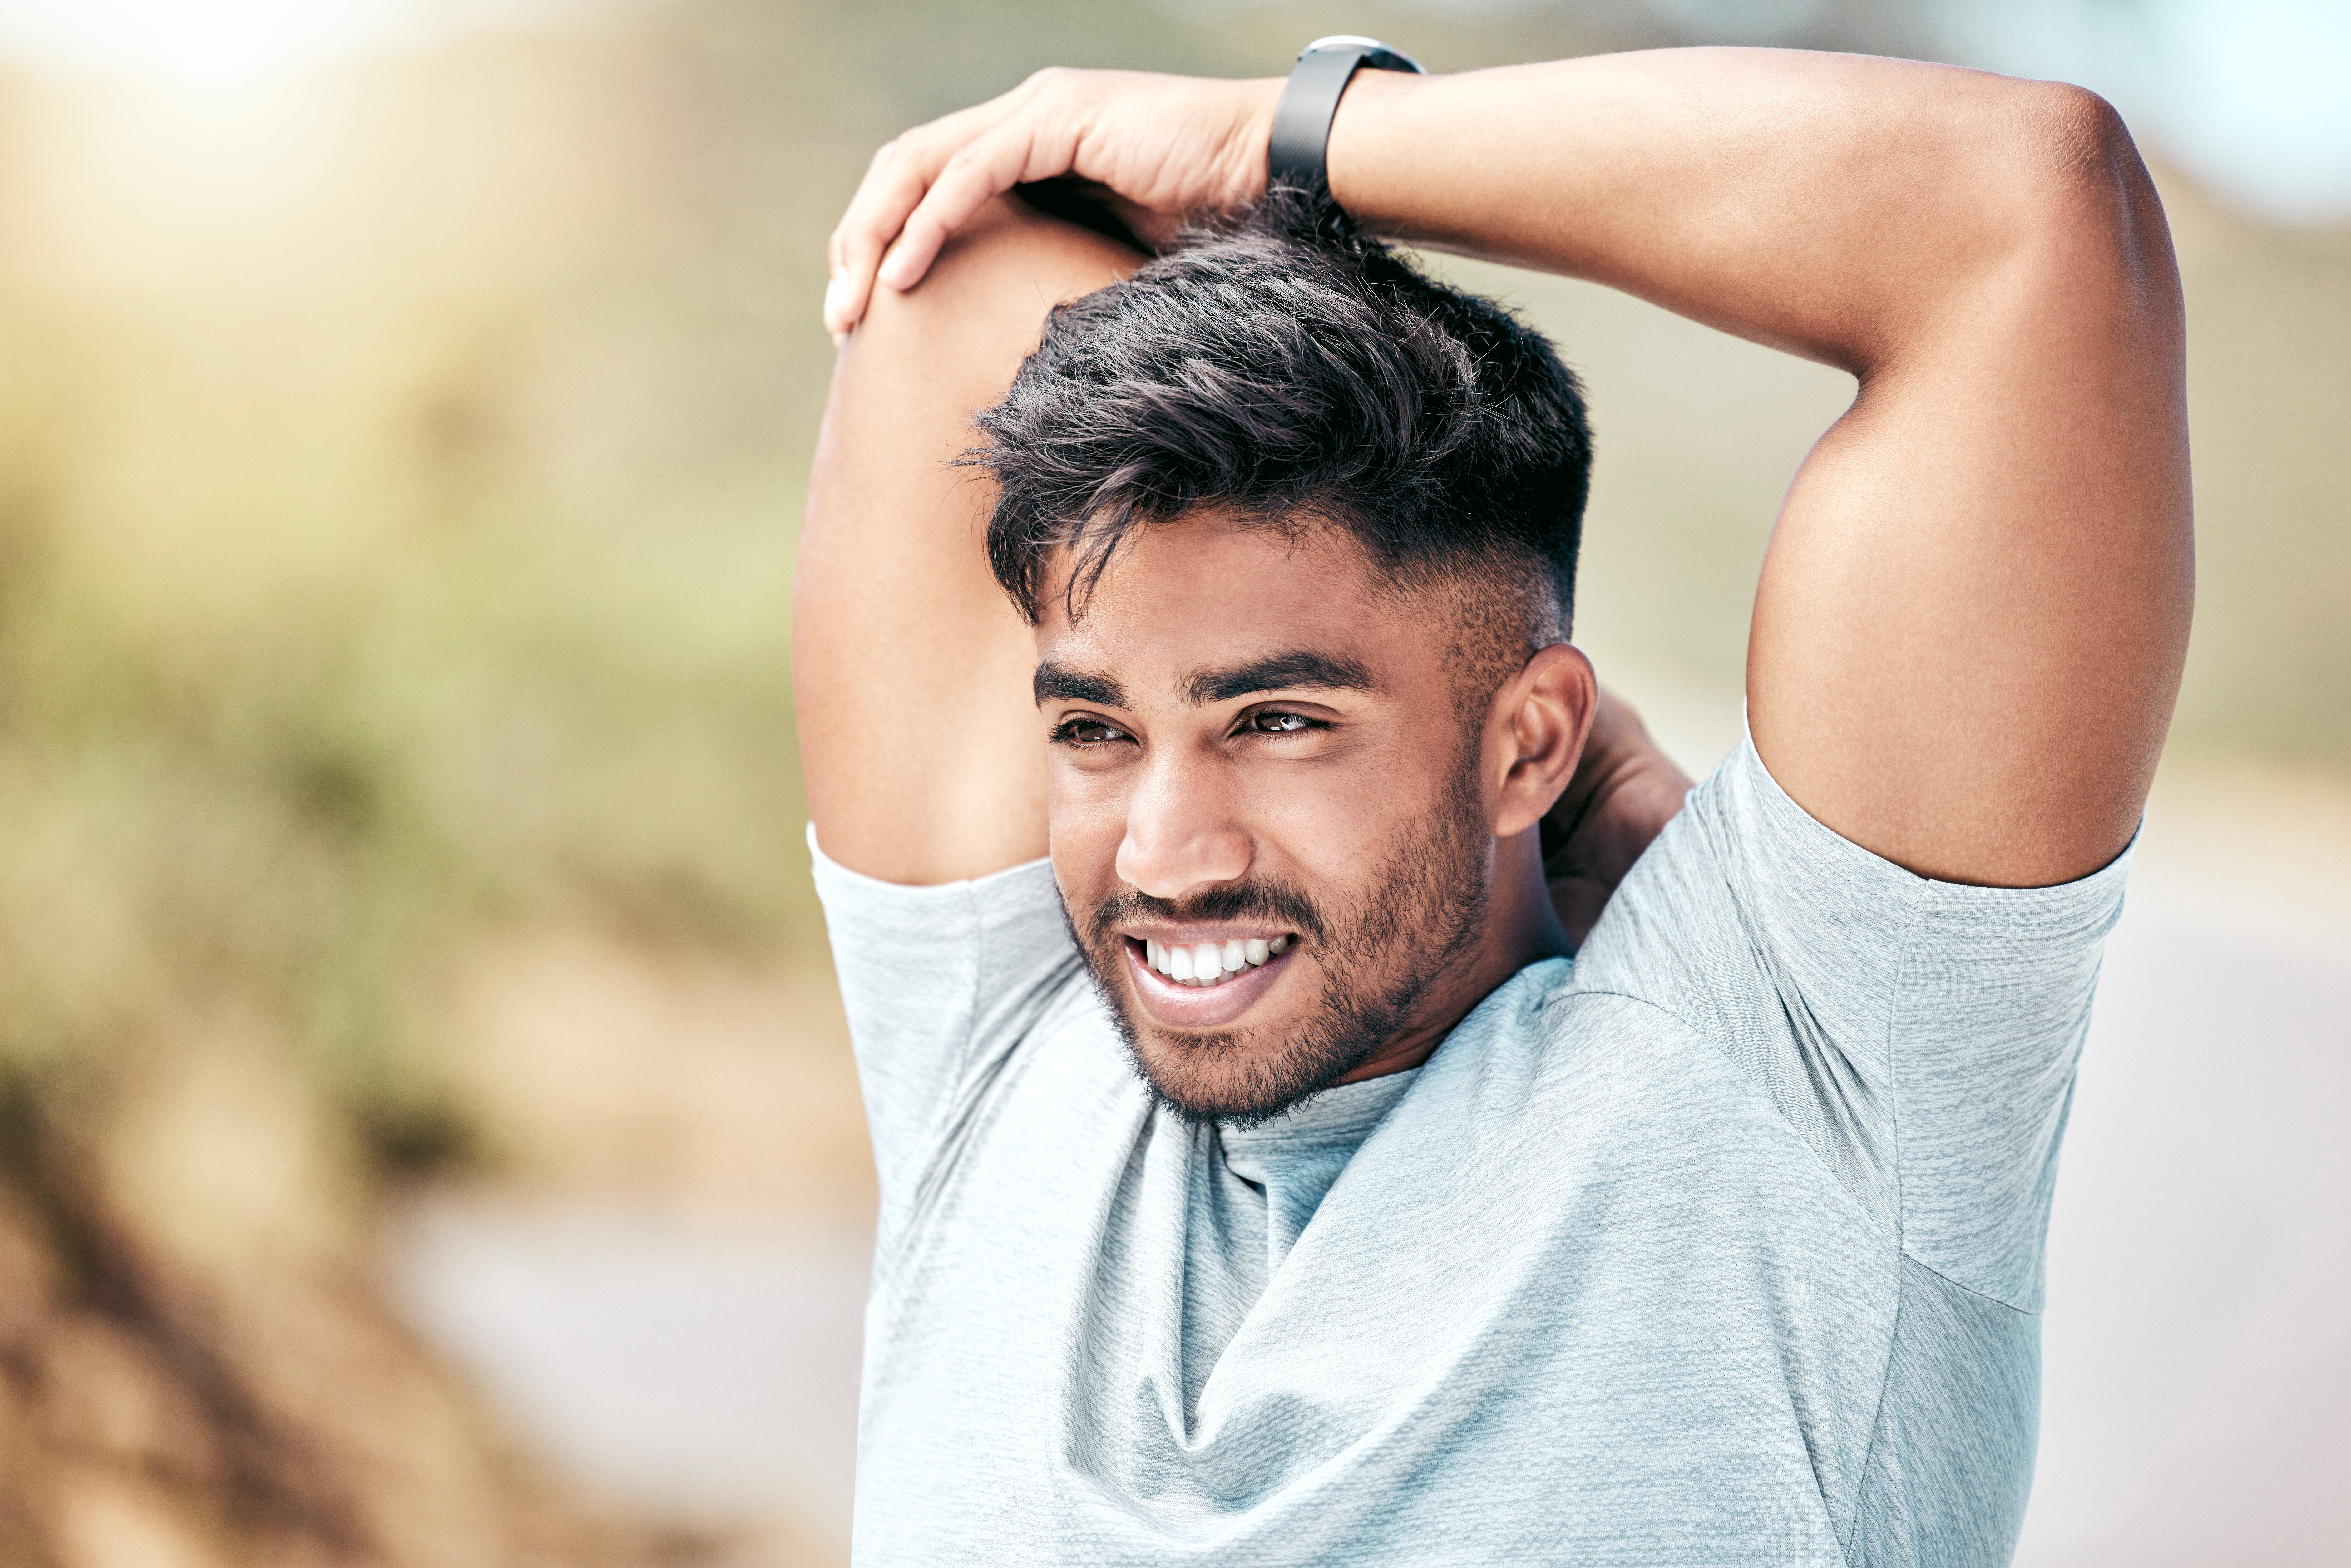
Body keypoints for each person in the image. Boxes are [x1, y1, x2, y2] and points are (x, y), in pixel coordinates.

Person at [793, 42, 2190, 1566]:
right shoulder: (1003, 1043)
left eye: (1277, 719)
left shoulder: (1797, 1079)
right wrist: (1287, 284)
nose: (1162, 855)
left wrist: (1270, 135)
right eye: (1093, 727)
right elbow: (959, 256)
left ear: (1528, 745)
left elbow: (2013, 211)